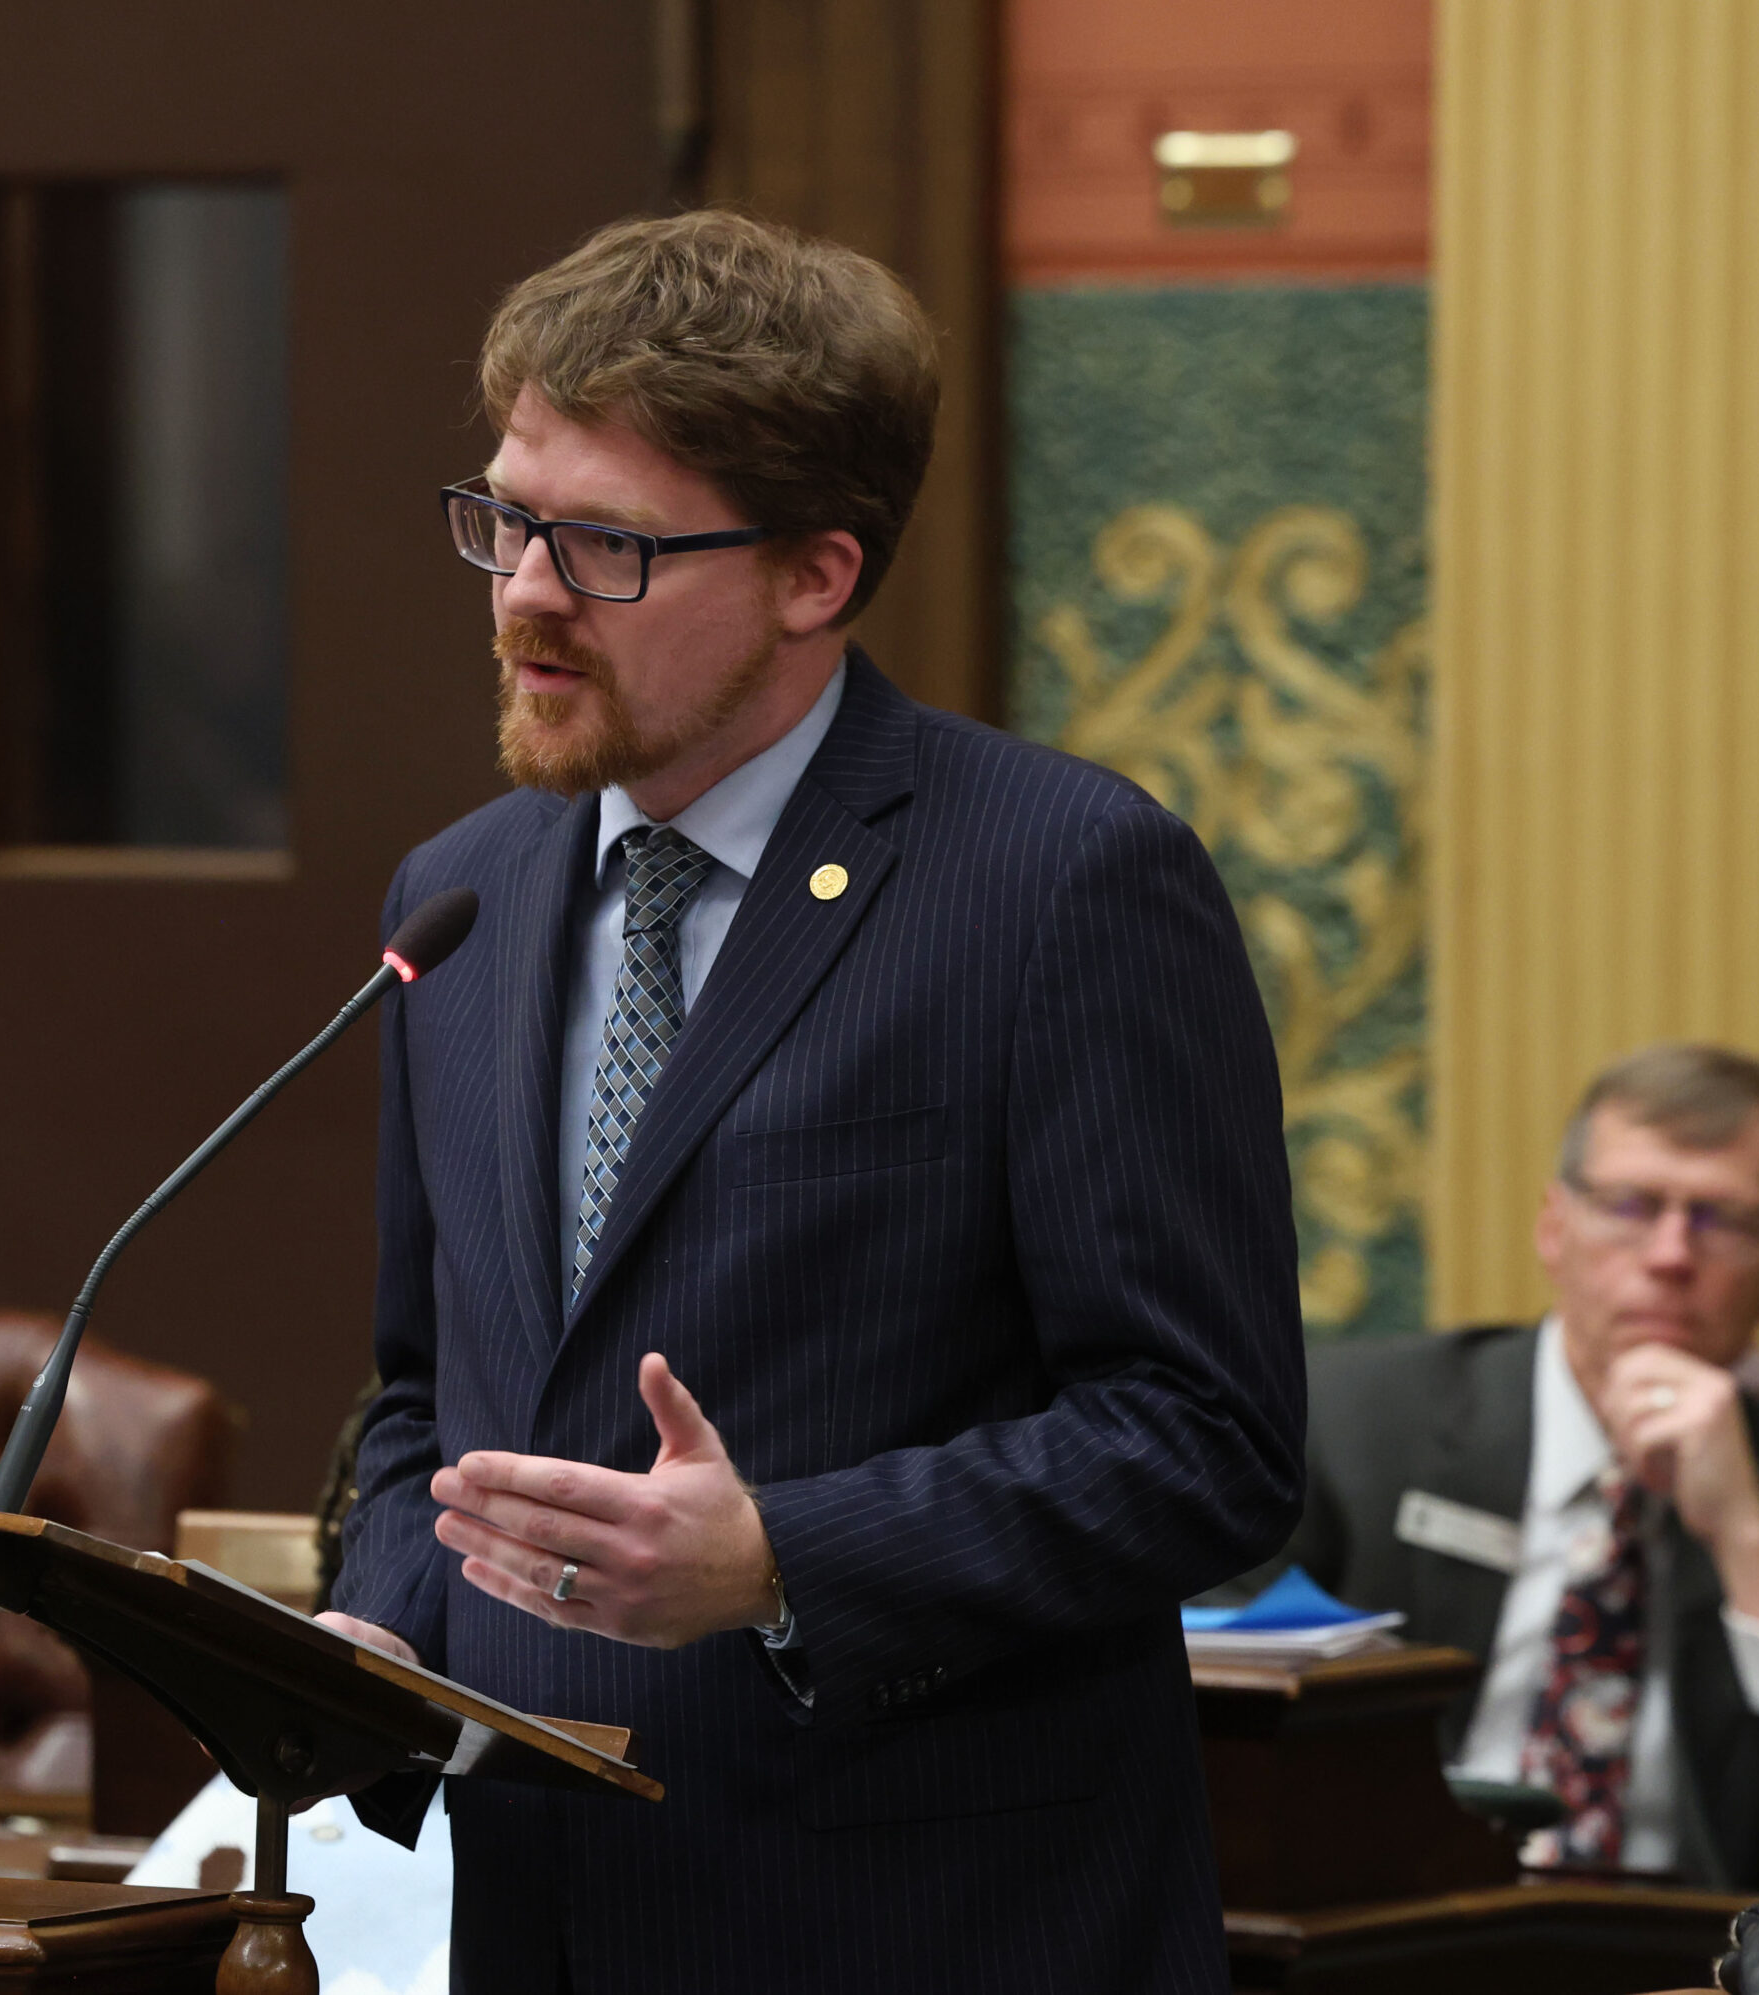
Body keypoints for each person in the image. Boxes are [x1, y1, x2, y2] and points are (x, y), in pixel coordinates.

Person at [313, 210, 1305, 1993]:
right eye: (504, 518)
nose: (526, 590)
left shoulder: (1061, 882)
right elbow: (421, 1394)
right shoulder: (457, 895)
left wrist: (783, 1558)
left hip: (925, 1931)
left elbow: (1206, 1443)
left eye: (604, 543)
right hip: (536, 1923)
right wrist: (370, 1627)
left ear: (815, 575)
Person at [1280, 1043, 1759, 1888]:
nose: (1669, 1254)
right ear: (1554, 1228)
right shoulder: (1351, 1421)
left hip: (1683, 1957)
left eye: (1722, 1218)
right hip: (1386, 1926)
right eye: (1631, 1204)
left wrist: (1745, 1536)